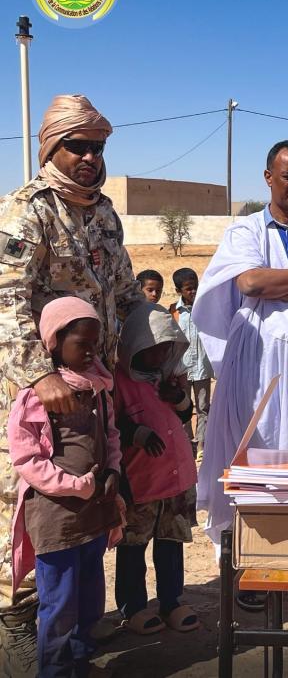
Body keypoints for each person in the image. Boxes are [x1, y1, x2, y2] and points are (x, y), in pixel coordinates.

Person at [0, 94, 144, 674]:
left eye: (97, 147)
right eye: (76, 146)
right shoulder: (26, 211)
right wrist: (39, 374)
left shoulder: (104, 213)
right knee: (26, 505)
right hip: (35, 394)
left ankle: (73, 628)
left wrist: (156, 358)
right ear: (50, 150)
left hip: (95, 389)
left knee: (88, 501)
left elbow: (126, 295)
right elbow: (6, 297)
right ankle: (17, 621)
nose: (89, 157)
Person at [192, 140, 288, 610]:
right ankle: (254, 566)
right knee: (258, 456)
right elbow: (249, 282)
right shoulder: (244, 230)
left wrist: (276, 289)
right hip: (258, 363)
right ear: (268, 178)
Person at [7, 297, 123, 678]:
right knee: (58, 604)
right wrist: (76, 486)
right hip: (56, 518)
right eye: (81, 343)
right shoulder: (35, 397)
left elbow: (111, 435)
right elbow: (27, 460)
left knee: (89, 598)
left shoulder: (99, 389)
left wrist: (113, 470)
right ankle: (55, 671)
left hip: (93, 513)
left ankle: (81, 663)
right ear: (54, 342)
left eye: (95, 344)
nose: (91, 352)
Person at [112, 302, 199, 635]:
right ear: (135, 345)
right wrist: (138, 434)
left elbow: (185, 413)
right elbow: (111, 426)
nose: (160, 354)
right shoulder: (120, 381)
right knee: (133, 547)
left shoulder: (169, 377)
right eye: (152, 348)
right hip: (141, 482)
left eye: (166, 347)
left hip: (177, 480)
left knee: (171, 543)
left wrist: (179, 398)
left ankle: (171, 602)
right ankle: (133, 607)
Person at [171, 268, 214, 456]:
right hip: (182, 370)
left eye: (195, 287)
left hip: (202, 368)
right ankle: (188, 444)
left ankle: (202, 444)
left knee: (204, 407)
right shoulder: (174, 312)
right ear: (178, 291)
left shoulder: (205, 309)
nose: (193, 292)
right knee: (184, 408)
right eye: (188, 289)